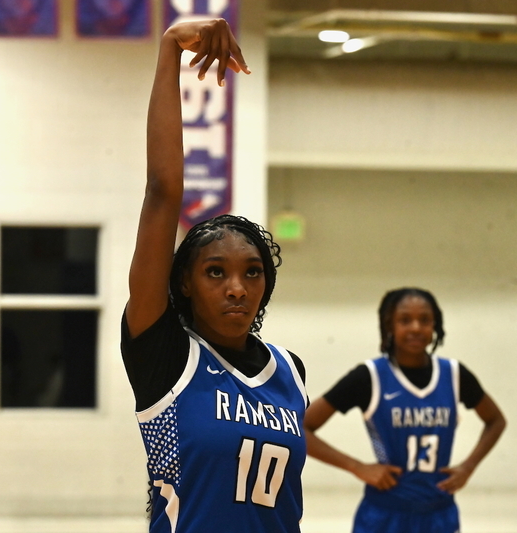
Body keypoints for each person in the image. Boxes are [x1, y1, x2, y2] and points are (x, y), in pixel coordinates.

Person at [121, 18, 308, 533]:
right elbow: (162, 190)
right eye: (215, 272)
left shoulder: (290, 372)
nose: (236, 287)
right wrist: (170, 50)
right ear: (185, 282)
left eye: (252, 272)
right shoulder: (163, 355)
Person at [304, 287, 506, 533]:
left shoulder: (454, 375)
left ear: (436, 326)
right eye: (404, 320)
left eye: (424, 320)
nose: (415, 328)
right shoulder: (369, 377)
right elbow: (301, 428)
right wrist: (357, 466)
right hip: (383, 514)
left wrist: (469, 466)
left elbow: (496, 420)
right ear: (389, 325)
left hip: (439, 513)